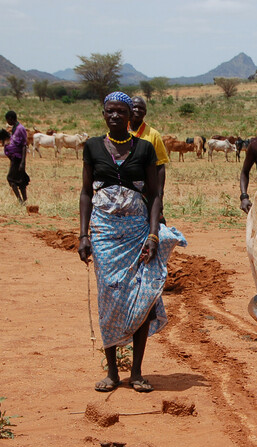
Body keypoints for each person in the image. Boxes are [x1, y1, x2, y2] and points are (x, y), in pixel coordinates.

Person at [78, 92, 186, 393]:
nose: (115, 116)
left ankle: (136, 372)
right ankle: (112, 372)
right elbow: (86, 192)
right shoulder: (93, 147)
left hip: (138, 233)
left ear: (130, 116)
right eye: (110, 111)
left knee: (143, 296)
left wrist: (153, 234)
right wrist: (84, 234)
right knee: (109, 299)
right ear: (104, 115)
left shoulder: (145, 148)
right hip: (105, 236)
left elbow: (154, 195)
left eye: (121, 112)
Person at [129, 96, 170, 223]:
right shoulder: (119, 131)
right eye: (134, 107)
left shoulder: (153, 135)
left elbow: (160, 167)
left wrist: (160, 195)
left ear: (145, 112)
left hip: (146, 190)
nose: (137, 110)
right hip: (123, 191)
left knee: (153, 224)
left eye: (141, 108)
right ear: (128, 109)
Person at [4, 111, 30, 204]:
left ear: (11, 118)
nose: (8, 122)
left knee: (10, 179)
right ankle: (25, 201)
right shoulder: (15, 128)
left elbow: (24, 145)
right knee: (21, 179)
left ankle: (20, 201)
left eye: (8, 120)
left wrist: (23, 162)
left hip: (18, 158)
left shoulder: (20, 128)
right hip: (14, 158)